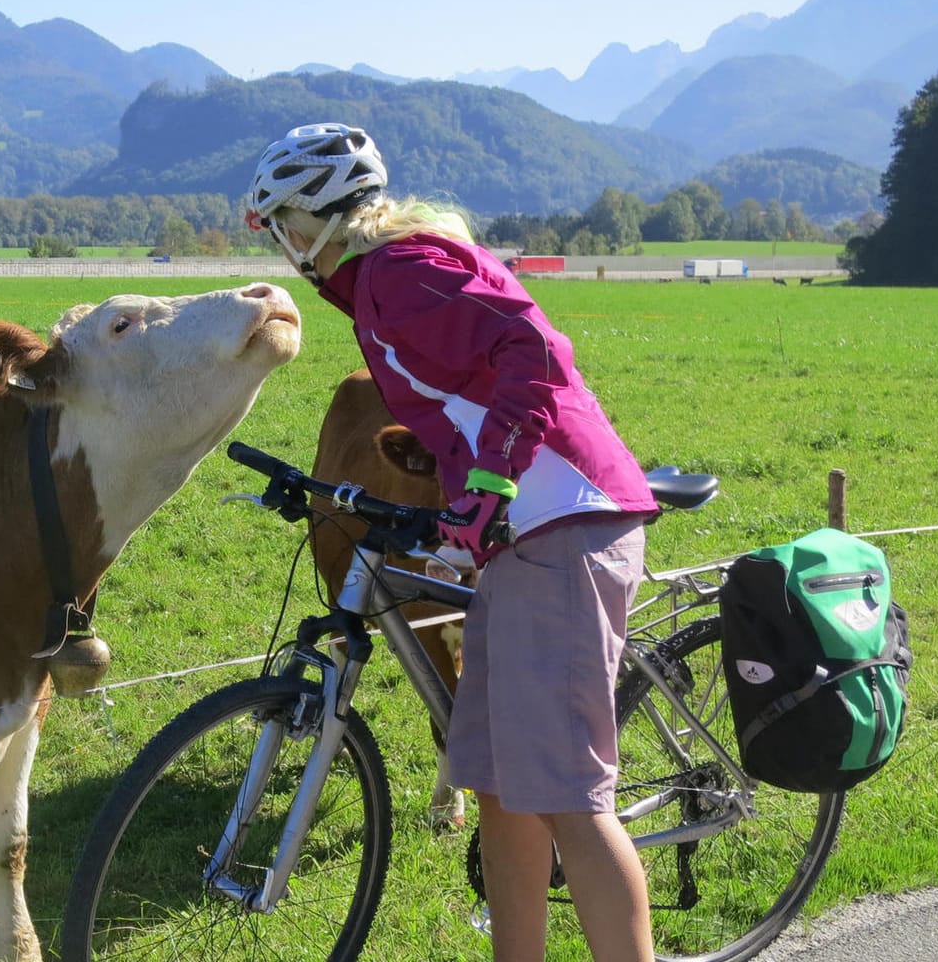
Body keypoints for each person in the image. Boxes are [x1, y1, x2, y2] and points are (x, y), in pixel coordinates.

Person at [244, 122, 661, 962]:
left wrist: (494, 481)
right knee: (504, 790)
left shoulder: (400, 271)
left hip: (562, 520)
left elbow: (536, 352)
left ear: (316, 220)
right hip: (526, 534)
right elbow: (459, 404)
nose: (285, 246)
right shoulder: (381, 282)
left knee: (572, 802)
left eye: (284, 223)